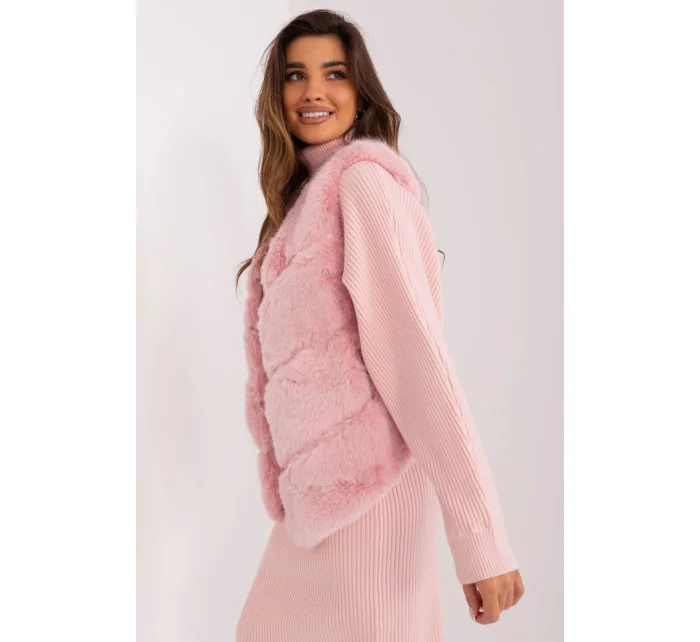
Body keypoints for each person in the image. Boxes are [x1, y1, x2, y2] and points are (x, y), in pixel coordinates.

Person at [235, 9, 525, 641]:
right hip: (316, 511)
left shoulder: (364, 186)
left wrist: (482, 539)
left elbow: (419, 364)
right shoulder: (299, 209)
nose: (313, 90)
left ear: (360, 90)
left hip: (372, 503)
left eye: (334, 73)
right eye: (295, 75)